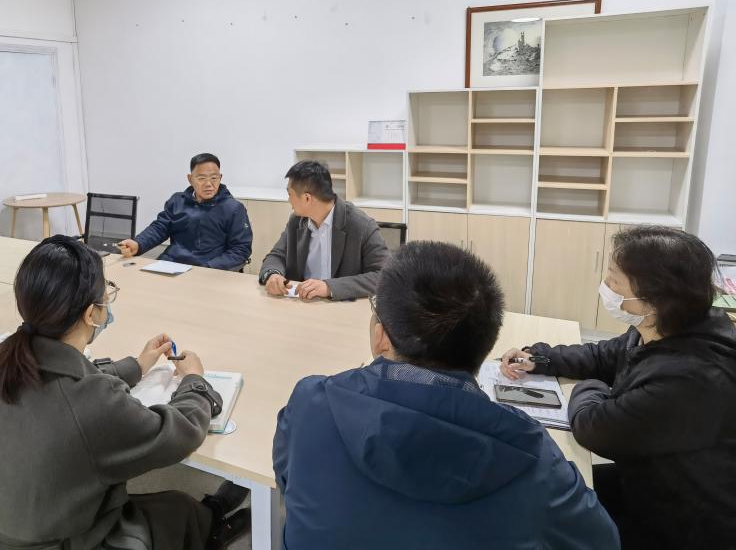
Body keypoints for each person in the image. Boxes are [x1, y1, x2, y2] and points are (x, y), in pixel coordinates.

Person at [274, 241, 619, 550]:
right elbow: (602, 541)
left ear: (381, 337)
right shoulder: (530, 453)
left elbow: (289, 483)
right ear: (484, 346)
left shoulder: (311, 402)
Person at [0, 235, 250, 550]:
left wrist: (137, 365)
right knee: (179, 508)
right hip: (56, 543)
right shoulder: (92, 401)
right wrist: (194, 380)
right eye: (106, 293)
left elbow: (71, 378)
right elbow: (178, 433)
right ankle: (213, 530)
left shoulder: (1, 358)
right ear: (91, 314)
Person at [500, 226, 736, 549]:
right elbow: (603, 355)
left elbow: (592, 426)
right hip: (646, 479)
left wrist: (592, 386)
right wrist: (541, 358)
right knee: (543, 488)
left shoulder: (692, 379)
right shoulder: (665, 324)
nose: (606, 286)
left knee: (545, 515)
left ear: (653, 299)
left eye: (613, 279)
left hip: (681, 523)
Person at [259, 160, 389, 300]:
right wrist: (273, 274)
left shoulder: (361, 225)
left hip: (342, 307)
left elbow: (384, 276)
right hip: (302, 304)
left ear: (307, 198)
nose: (288, 200)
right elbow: (276, 255)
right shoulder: (296, 222)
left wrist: (329, 287)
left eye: (290, 194)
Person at [119, 153, 252, 271]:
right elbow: (160, 228)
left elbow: (240, 249)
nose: (208, 184)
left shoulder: (233, 208)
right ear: (190, 179)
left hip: (208, 269)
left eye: (214, 178)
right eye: (201, 178)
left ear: (220, 177)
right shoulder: (178, 201)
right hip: (171, 264)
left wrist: (209, 268)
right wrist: (138, 244)